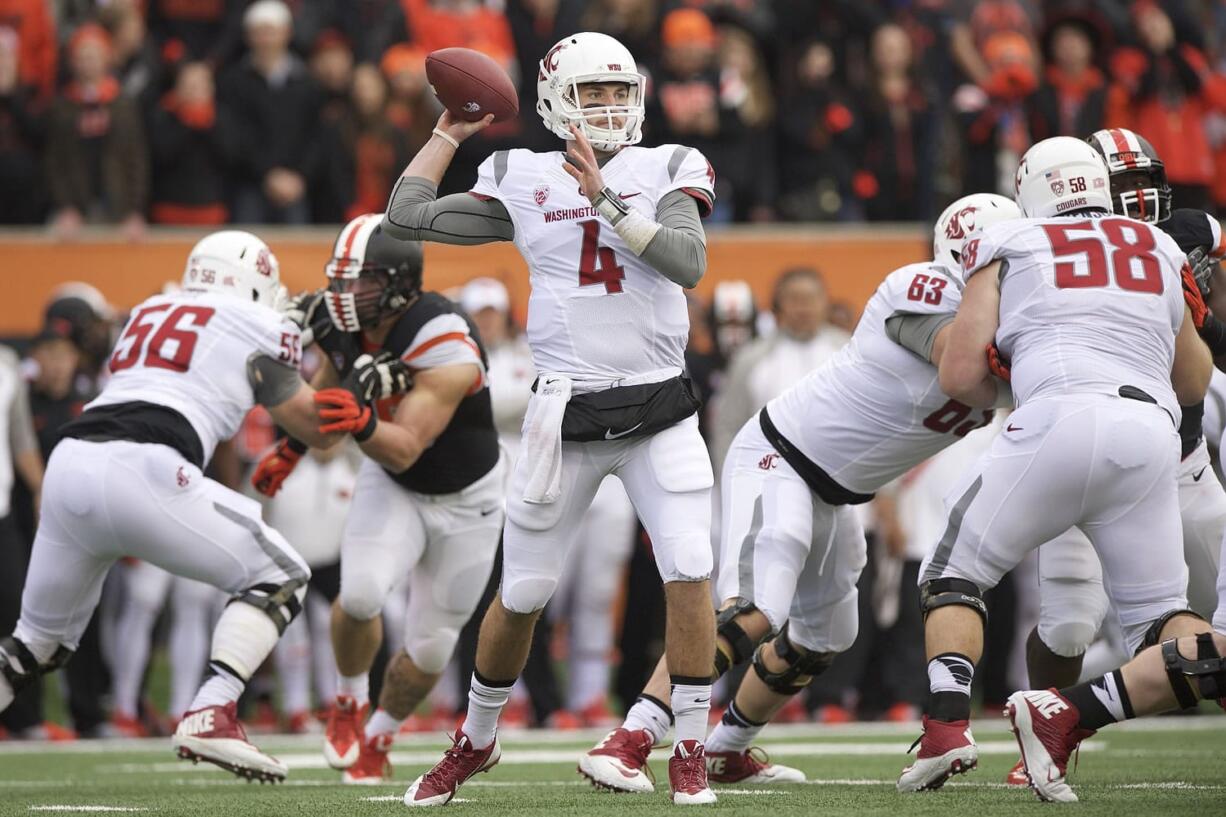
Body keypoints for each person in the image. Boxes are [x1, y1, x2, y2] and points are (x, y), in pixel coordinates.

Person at [380, 31, 719, 806]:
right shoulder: (521, 174)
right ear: (555, 100)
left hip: (658, 403)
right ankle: (476, 736)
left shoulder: (667, 164)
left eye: (617, 90)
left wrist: (602, 196)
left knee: (690, 568)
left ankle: (690, 743)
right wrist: (449, 131)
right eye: (592, 92)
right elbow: (407, 217)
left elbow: (688, 263)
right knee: (523, 590)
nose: (608, 105)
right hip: (564, 407)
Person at [590, 192, 1020, 788]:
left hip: (837, 490)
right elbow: (961, 365)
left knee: (826, 638)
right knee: (757, 610)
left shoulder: (1017, 321)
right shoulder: (919, 288)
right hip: (780, 458)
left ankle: (726, 749)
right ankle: (630, 737)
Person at [0, 230, 405, 780]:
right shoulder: (256, 322)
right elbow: (316, 427)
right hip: (144, 467)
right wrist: (353, 372)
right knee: (281, 575)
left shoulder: (151, 309)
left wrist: (306, 329)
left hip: (71, 465)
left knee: (35, 646)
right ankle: (212, 709)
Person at [897, 136, 1214, 793]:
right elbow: (1195, 376)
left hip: (1058, 417)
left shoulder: (1009, 242)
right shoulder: (1156, 244)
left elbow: (960, 374)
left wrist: (1009, 384)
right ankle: (1066, 714)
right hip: (1151, 435)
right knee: (1165, 622)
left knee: (954, 573)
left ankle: (947, 727)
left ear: (1029, 192)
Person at [1001, 127, 1226, 785]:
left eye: (1146, 183)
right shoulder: (1044, 247)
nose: (1141, 199)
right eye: (1123, 185)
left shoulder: (1183, 233)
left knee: (1194, 625)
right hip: (1088, 447)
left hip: (1178, 459)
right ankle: (1045, 733)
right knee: (1069, 625)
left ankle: (1064, 717)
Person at [251, 214, 506, 786]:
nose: (344, 294)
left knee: (433, 647)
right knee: (360, 596)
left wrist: (362, 424)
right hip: (393, 487)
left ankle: (380, 734)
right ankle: (347, 702)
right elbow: (325, 388)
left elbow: (406, 447)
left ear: (398, 282)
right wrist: (293, 448)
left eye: (360, 281)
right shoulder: (338, 320)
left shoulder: (443, 337)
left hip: (468, 498)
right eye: (340, 278)